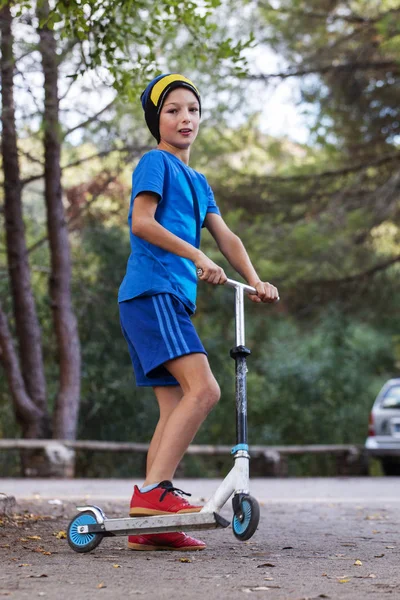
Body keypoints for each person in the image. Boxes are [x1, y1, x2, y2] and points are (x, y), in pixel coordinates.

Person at [118, 73, 279, 551]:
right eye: (173, 110)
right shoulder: (156, 163)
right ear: (157, 121)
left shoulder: (198, 181)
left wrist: (254, 279)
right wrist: (196, 256)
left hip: (167, 298)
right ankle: (152, 496)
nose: (185, 117)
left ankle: (150, 523)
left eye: (192, 109)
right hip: (153, 292)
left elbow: (225, 235)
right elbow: (141, 222)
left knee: (174, 407)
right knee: (205, 389)